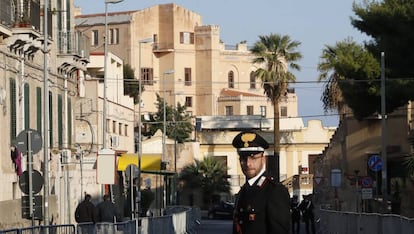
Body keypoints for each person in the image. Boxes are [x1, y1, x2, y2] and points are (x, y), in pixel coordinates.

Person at [232, 131, 291, 234]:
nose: (248, 163)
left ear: (263, 159)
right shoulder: (244, 190)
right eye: (243, 158)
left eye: (253, 158)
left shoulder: (274, 191)